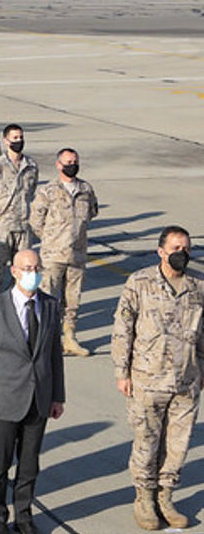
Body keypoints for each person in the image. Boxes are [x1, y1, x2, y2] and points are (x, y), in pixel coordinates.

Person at [111, 225, 203, 531]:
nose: (182, 253)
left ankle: (166, 497)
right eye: (176, 248)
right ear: (160, 251)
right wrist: (121, 372)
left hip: (186, 382)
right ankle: (145, 498)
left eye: (187, 248)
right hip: (148, 380)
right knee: (147, 443)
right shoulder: (140, 283)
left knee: (178, 445)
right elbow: (123, 330)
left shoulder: (198, 288)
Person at [0, 249, 66, 534]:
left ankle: (23, 514)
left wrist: (57, 395)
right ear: (14, 271)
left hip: (39, 399)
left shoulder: (50, 305)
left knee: (29, 465)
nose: (33, 273)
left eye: (37, 267)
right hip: (4, 401)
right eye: (27, 268)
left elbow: (54, 354)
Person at [29, 148, 98, 356]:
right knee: (47, 299)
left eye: (75, 161)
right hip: (53, 255)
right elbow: (36, 221)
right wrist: (52, 239)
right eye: (68, 162)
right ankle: (47, 339)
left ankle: (69, 337)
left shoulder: (86, 189)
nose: (72, 165)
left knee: (73, 300)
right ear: (58, 165)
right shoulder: (48, 191)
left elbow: (91, 213)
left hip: (77, 254)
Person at [0, 124, 38, 297]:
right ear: (6, 141)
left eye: (20, 137)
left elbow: (32, 191)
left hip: (23, 225)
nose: (19, 141)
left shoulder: (31, 166)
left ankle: (19, 304)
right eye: (15, 138)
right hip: (2, 226)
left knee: (24, 271)